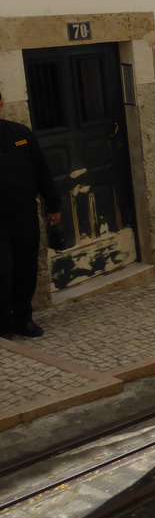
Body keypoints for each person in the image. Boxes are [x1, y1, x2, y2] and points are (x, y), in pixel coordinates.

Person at [0, 92, 62, 339]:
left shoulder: (20, 134)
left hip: (24, 215)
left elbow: (41, 171)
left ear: (2, 104)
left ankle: (23, 318)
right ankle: (2, 325)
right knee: (2, 272)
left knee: (26, 270)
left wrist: (53, 205)